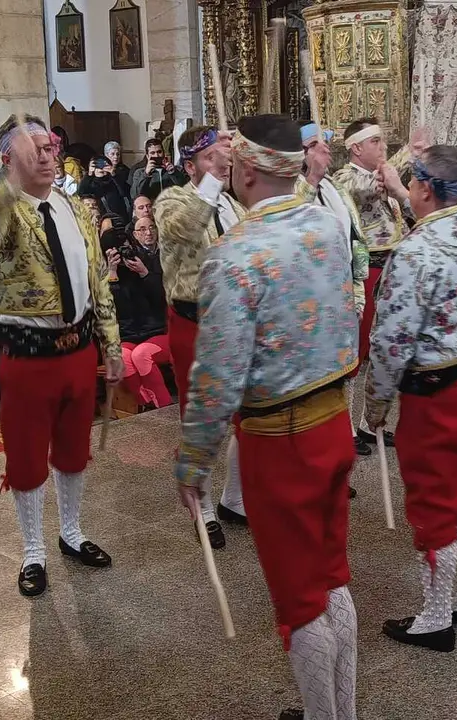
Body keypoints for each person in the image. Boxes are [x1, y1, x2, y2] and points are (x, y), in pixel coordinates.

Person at [176, 114, 358, 720]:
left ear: (247, 170)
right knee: (332, 576)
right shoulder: (328, 225)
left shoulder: (234, 254)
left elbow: (218, 373)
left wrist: (194, 462)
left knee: (300, 599)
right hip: (334, 422)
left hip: (281, 443)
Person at [0, 113, 124, 598]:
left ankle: (71, 532)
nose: (49, 157)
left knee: (73, 451)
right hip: (28, 358)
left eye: (51, 148)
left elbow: (97, 280)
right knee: (28, 458)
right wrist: (11, 180)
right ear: (9, 159)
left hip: (78, 351)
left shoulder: (72, 207)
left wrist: (111, 343)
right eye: (35, 151)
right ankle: (33, 551)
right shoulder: (2, 212)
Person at [365, 145, 457, 652]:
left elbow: (391, 339)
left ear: (424, 188)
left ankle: (435, 617)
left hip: (437, 394)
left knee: (433, 503)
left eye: (411, 183)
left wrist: (376, 404)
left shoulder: (414, 252)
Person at [154, 125, 246, 540]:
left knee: (246, 413)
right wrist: (215, 175)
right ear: (189, 165)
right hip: (194, 321)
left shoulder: (232, 203)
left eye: (222, 155)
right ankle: (203, 509)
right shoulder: (171, 200)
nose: (222, 163)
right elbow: (186, 227)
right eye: (210, 157)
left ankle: (235, 498)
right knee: (202, 419)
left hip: (236, 320)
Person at [332, 119, 427, 449]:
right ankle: (346, 428)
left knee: (382, 350)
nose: (382, 146)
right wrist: (408, 153)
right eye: (375, 141)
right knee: (357, 351)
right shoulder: (345, 177)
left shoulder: (381, 175)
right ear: (356, 148)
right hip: (367, 269)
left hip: (391, 266)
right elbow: (370, 187)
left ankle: (368, 424)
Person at [297, 120, 371, 455]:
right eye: (314, 144)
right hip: (311, 300)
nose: (325, 148)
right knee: (319, 378)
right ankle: (321, 442)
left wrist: (357, 291)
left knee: (348, 367)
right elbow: (292, 221)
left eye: (324, 142)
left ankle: (346, 432)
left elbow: (354, 237)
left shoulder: (335, 188)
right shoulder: (293, 189)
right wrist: (311, 179)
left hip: (343, 291)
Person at [105, 216, 171, 409]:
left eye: (127, 247)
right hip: (130, 334)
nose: (124, 253)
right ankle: (146, 406)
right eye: (120, 250)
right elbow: (115, 308)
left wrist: (144, 273)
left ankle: (164, 406)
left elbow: (161, 299)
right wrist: (112, 274)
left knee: (141, 354)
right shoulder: (111, 271)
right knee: (123, 356)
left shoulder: (151, 260)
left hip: (158, 330)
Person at [129, 138, 186, 202]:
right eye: (152, 153)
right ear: (147, 156)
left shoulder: (176, 170)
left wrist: (173, 173)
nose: (156, 155)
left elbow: (185, 189)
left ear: (163, 153)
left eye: (159, 152)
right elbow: (134, 195)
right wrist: (146, 174)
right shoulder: (139, 172)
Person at [78, 156, 130, 221]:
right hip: (98, 219)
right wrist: (89, 174)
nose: (101, 167)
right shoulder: (89, 183)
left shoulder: (114, 180)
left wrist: (114, 174)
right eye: (97, 165)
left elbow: (125, 192)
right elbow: (81, 194)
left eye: (103, 164)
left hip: (118, 218)